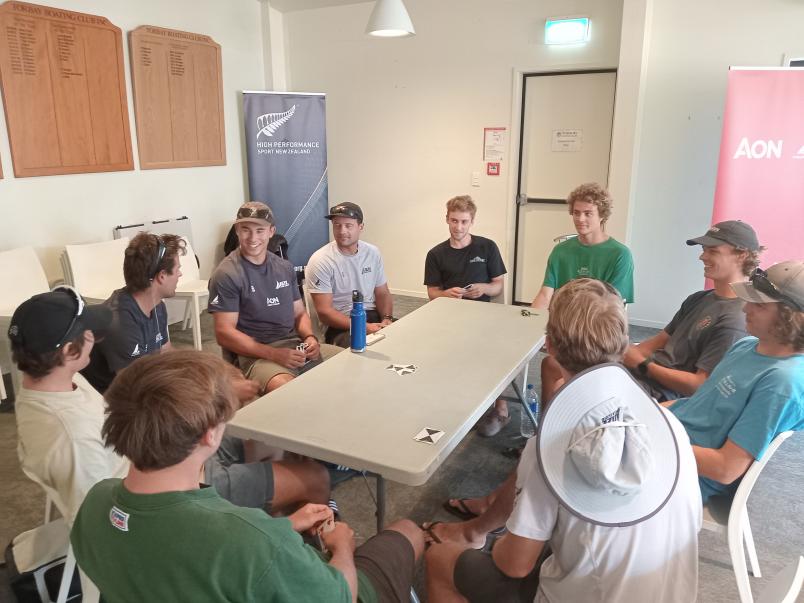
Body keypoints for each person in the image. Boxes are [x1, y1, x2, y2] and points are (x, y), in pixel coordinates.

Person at [71, 350, 425, 603]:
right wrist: (343, 548)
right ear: (210, 435)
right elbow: (339, 594)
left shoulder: (96, 503)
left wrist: (283, 527)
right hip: (333, 582)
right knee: (409, 532)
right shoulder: (250, 540)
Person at [425, 279, 701, 602]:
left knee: (439, 559)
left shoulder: (551, 446)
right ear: (624, 342)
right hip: (676, 593)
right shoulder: (668, 423)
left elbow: (514, 564)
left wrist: (500, 546)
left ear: (549, 346)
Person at [667, 260, 804, 503]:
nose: (744, 309)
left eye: (759, 305)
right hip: (670, 438)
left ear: (792, 319)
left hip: (683, 475)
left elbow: (726, 468)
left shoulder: (782, 382)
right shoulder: (746, 345)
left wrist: (653, 445)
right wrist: (648, 411)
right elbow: (700, 404)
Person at [9, 288, 128, 526]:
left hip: (131, 455)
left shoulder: (55, 381)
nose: (94, 336)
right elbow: (100, 521)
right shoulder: (74, 439)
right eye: (88, 332)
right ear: (68, 351)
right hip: (137, 494)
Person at [209, 201, 341, 394]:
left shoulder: (284, 267)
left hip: (294, 346)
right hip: (256, 355)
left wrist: (310, 337)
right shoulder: (227, 273)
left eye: (260, 230)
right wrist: (274, 354)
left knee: (350, 363)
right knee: (290, 392)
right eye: (245, 230)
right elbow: (224, 333)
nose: (253, 237)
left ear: (271, 231)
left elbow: (299, 314)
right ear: (237, 231)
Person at [622, 220, 762, 402]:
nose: (702, 257)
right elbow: (656, 343)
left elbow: (699, 386)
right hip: (641, 376)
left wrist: (643, 365)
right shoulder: (698, 298)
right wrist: (622, 356)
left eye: (713, 251)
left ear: (741, 255)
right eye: (704, 250)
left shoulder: (737, 318)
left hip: (662, 394)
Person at [424, 195, 508, 436]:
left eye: (463, 221)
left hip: (484, 315)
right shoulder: (436, 254)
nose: (458, 227)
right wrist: (446, 294)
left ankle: (501, 407)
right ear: (446, 219)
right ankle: (454, 405)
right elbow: (432, 293)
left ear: (472, 221)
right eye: (453, 221)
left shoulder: (487, 247)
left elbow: (498, 286)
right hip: (448, 317)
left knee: (493, 352)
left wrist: (484, 289)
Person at [81, 232, 185, 394]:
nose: (180, 274)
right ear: (162, 276)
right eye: (178, 269)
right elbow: (133, 386)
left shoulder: (157, 306)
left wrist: (203, 366)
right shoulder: (119, 321)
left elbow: (164, 351)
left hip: (140, 385)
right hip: (112, 401)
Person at [530, 182, 634, 310]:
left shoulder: (620, 254)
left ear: (602, 215)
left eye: (588, 213)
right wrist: (531, 321)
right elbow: (545, 295)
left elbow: (613, 306)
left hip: (597, 321)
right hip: (562, 320)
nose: (580, 219)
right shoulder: (560, 251)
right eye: (576, 213)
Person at [306, 202, 394, 348]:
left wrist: (387, 318)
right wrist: (364, 327)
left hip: (372, 315)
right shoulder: (321, 259)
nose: (342, 231)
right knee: (365, 350)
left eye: (348, 225)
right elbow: (325, 312)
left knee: (405, 337)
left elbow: (382, 292)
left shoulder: (373, 252)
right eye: (337, 225)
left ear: (361, 227)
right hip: (341, 324)